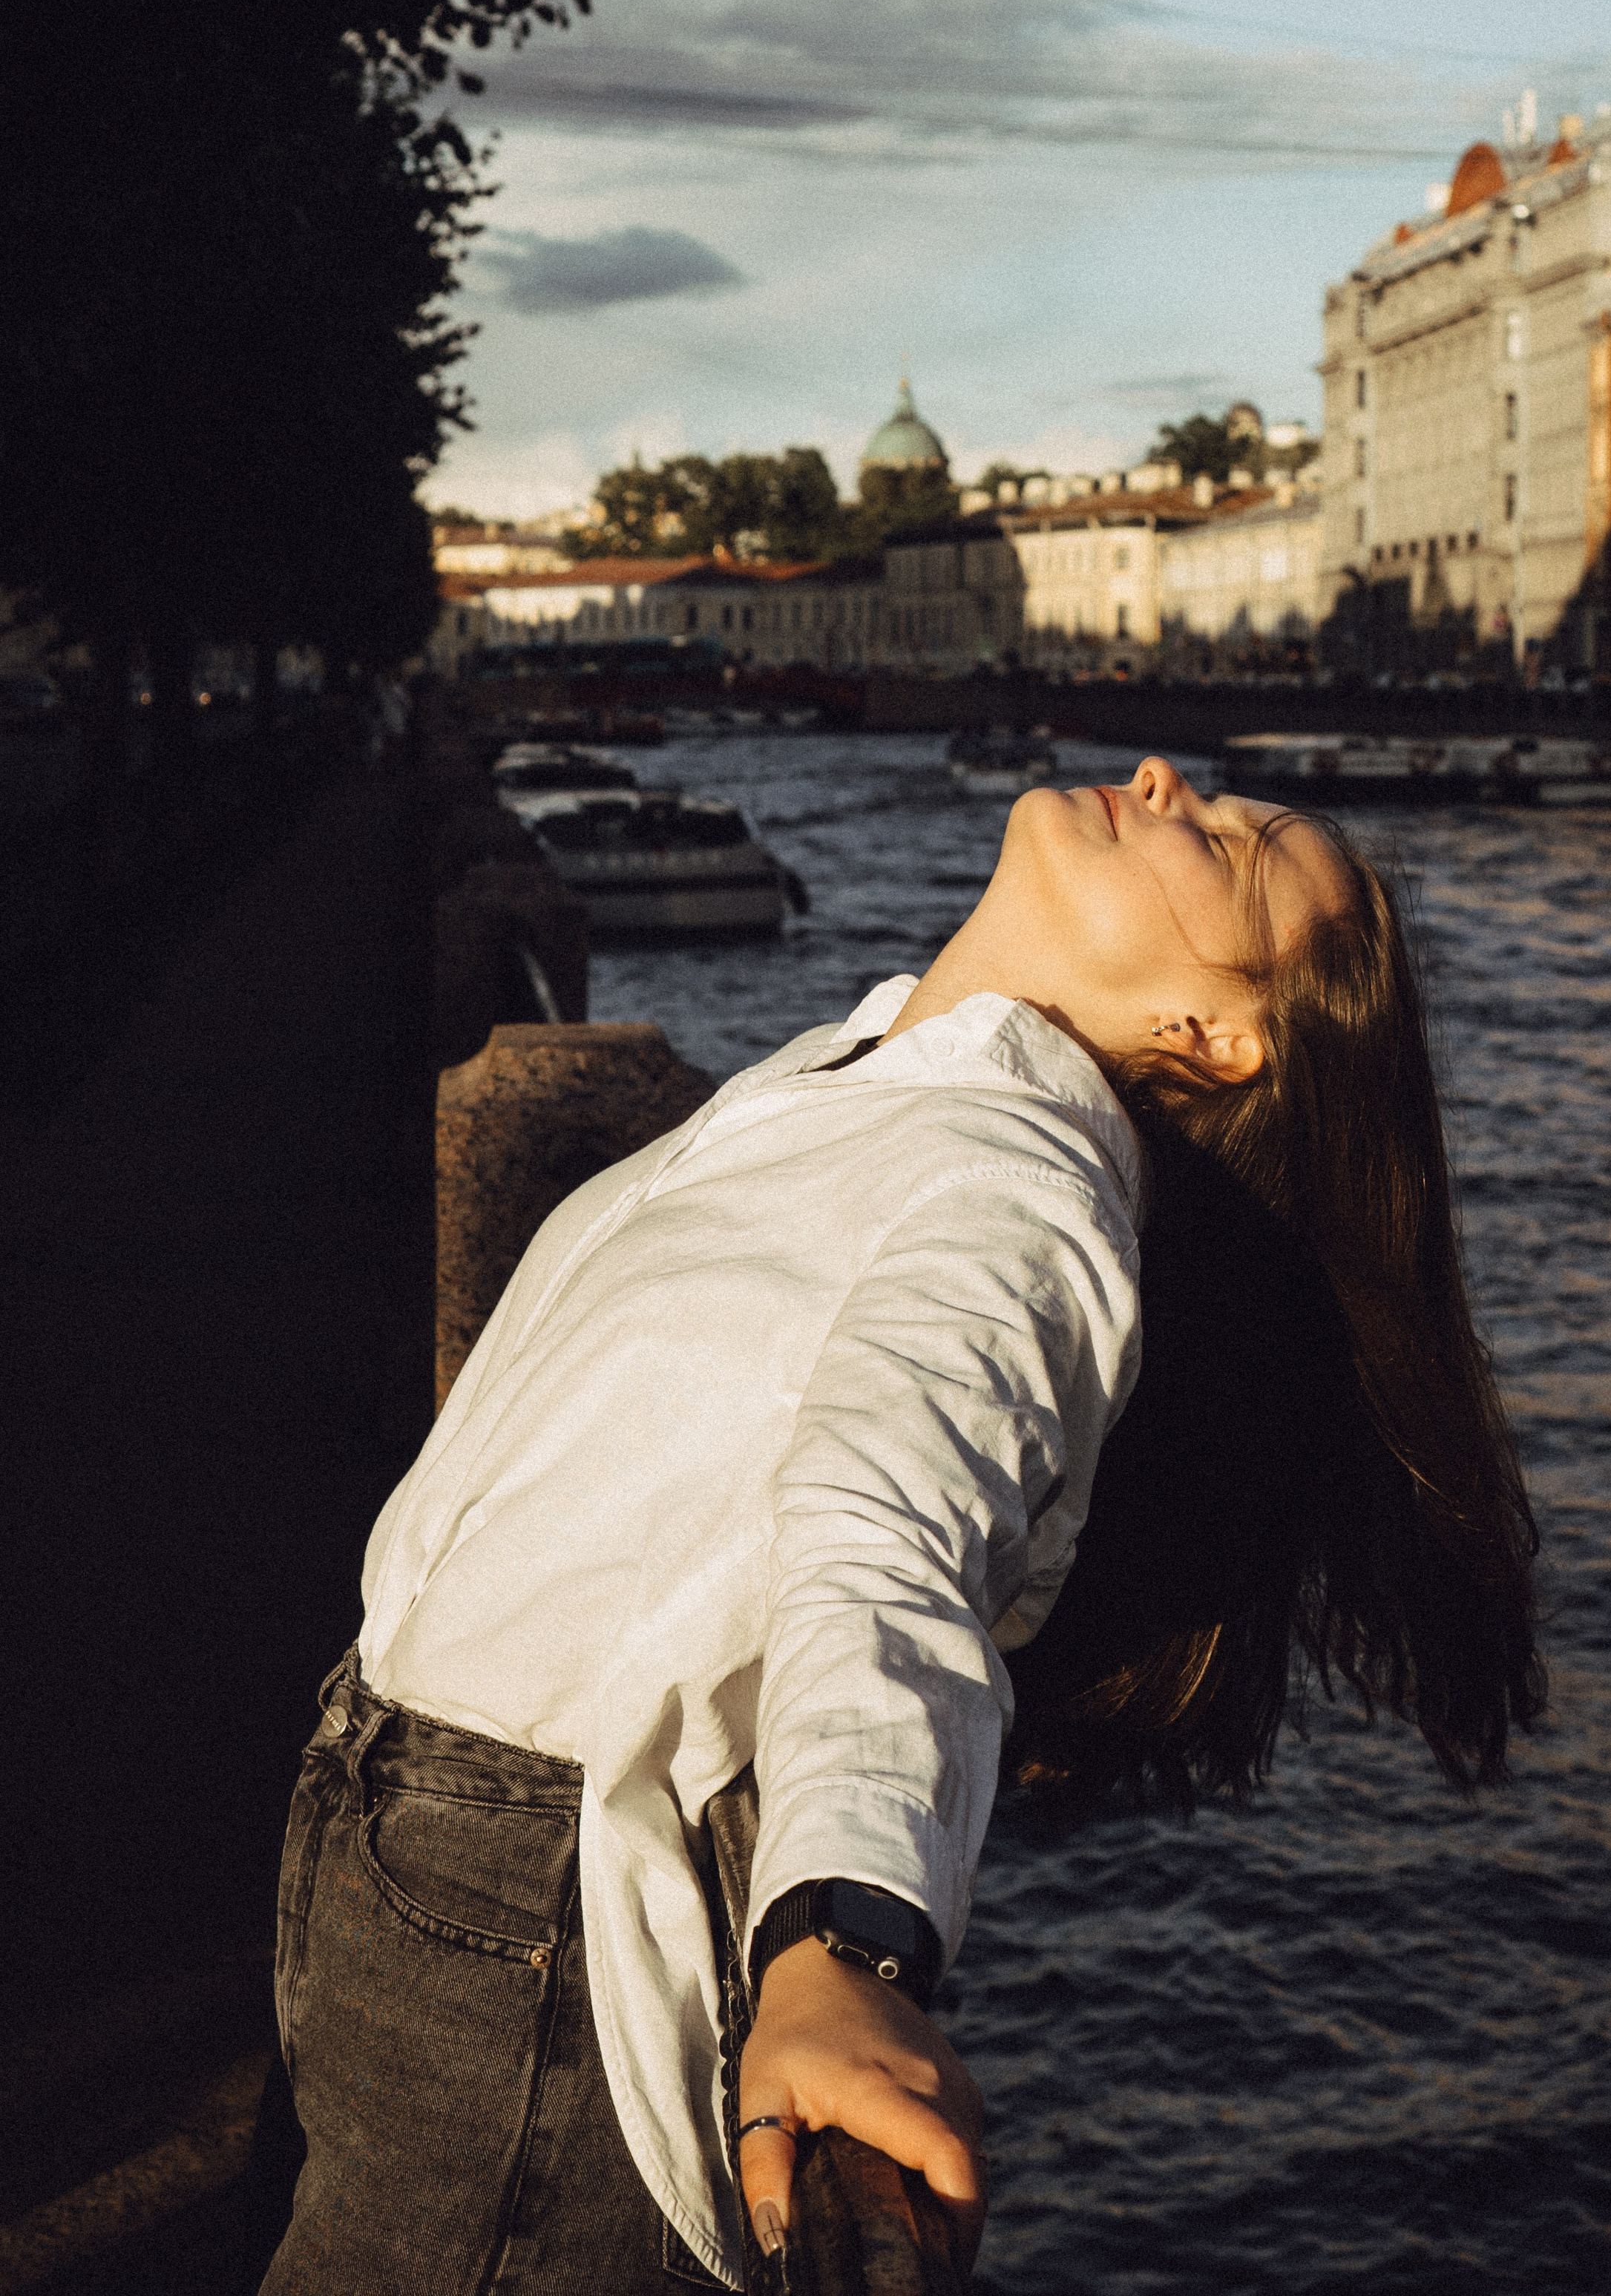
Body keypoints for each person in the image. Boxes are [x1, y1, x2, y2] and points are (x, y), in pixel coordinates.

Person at [260, 758, 1543, 2293]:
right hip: (400, 1824)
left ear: (1211, 1035)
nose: (1160, 777)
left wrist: (845, 1950)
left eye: (1224, 842)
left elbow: (890, 1545)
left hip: (531, 1906)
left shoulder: (1021, 1196)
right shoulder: (862, 1068)